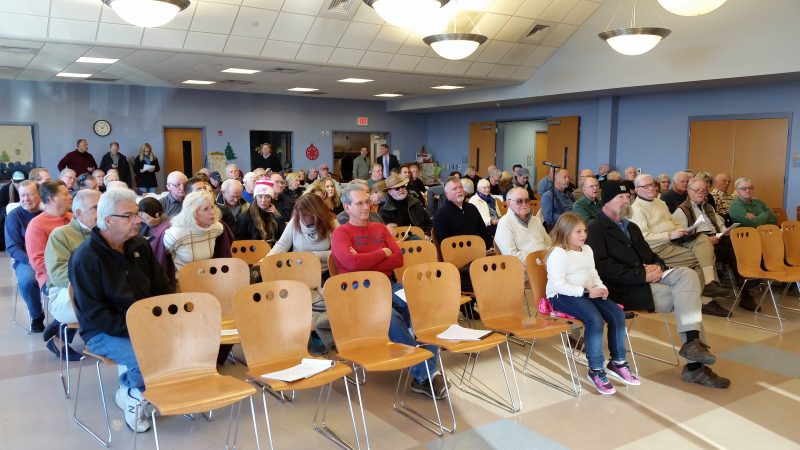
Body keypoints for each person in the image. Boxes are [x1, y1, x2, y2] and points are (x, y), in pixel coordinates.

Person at [587, 180, 730, 389]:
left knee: (687, 275)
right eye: (620, 198)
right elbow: (603, 268)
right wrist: (640, 275)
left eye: (628, 197)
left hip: (648, 277)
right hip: (625, 289)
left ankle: (692, 343)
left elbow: (651, 254)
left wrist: (657, 266)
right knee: (687, 300)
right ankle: (694, 367)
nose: (626, 201)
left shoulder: (631, 226)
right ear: (606, 201)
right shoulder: (595, 228)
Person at [70, 188, 173, 432]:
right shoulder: (85, 257)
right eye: (129, 216)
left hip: (145, 323)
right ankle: (133, 395)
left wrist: (166, 322)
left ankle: (130, 388)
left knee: (184, 345)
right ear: (107, 221)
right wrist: (140, 332)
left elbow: (161, 287)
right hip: (102, 332)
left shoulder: (139, 245)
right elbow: (95, 314)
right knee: (146, 357)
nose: (138, 220)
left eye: (137, 214)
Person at [330, 184, 446, 399]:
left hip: (389, 284)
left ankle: (424, 370)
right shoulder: (341, 233)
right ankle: (428, 374)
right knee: (390, 318)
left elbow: (397, 259)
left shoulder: (380, 228)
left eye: (368, 202)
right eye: (360, 203)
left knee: (425, 307)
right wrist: (381, 253)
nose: (366, 206)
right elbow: (351, 264)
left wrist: (368, 257)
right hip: (359, 291)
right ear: (347, 207)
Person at [546, 213, 639, 394]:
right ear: (565, 232)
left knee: (617, 314)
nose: (583, 235)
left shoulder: (587, 249)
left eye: (584, 231)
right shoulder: (558, 253)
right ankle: (596, 370)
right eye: (578, 231)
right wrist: (587, 291)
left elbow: (593, 273)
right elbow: (558, 285)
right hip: (562, 295)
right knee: (594, 319)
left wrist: (601, 288)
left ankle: (618, 362)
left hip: (587, 291)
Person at [630, 174, 731, 316]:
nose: (651, 188)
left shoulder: (660, 203)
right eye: (646, 186)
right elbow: (644, 238)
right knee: (702, 258)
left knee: (703, 239)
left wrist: (682, 230)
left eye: (652, 185)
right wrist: (670, 235)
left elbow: (673, 222)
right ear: (637, 190)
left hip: (675, 238)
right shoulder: (637, 209)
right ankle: (704, 297)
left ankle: (706, 288)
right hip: (658, 247)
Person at [673, 178, 759, 311]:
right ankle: (745, 288)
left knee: (738, 242)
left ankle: (746, 283)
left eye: (703, 191)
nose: (701, 193)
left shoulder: (708, 207)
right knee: (732, 250)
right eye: (697, 190)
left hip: (718, 239)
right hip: (701, 243)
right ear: (689, 191)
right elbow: (683, 237)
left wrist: (726, 232)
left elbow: (720, 225)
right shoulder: (681, 211)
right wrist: (707, 239)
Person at [268, 194, 338, 349]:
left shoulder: (332, 223)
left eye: (305, 214)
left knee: (321, 302)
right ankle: (295, 335)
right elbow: (281, 246)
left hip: (324, 273)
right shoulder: (295, 222)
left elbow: (338, 253)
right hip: (298, 273)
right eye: (298, 213)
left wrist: (314, 257)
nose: (301, 217)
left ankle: (316, 333)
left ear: (316, 213)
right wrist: (265, 261)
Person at [43, 189, 100, 360]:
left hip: (94, 289)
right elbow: (58, 274)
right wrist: (97, 281)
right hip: (63, 291)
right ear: (78, 213)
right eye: (95, 208)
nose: (102, 211)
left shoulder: (106, 232)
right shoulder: (61, 235)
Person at [25, 180, 73, 354]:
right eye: (65, 193)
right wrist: (67, 272)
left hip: (76, 273)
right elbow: (37, 261)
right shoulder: (37, 225)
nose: (70, 196)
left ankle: (60, 325)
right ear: (52, 199)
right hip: (51, 278)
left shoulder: (71, 218)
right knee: (82, 292)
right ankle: (59, 338)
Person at [5, 180, 45, 332]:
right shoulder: (14, 217)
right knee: (27, 281)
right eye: (22, 195)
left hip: (49, 258)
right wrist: (32, 262)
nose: (26, 199)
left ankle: (67, 319)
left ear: (39, 195)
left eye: (30, 194)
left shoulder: (47, 212)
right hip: (25, 260)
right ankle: (36, 315)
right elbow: (12, 248)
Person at [164, 190, 224, 271]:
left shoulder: (217, 228)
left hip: (208, 277)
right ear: (192, 213)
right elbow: (161, 257)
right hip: (182, 279)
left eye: (212, 207)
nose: (212, 212)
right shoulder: (176, 234)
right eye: (205, 209)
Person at [495, 186, 550, 266]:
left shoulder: (536, 220)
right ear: (508, 203)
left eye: (527, 200)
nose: (524, 204)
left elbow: (549, 243)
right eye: (519, 201)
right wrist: (538, 258)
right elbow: (511, 256)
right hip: (523, 271)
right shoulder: (505, 223)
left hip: (545, 265)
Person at [0, 170, 26, 250]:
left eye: (21, 182)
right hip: (8, 215)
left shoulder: (27, 188)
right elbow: (1, 205)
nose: (18, 184)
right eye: (16, 182)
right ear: (12, 180)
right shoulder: (5, 189)